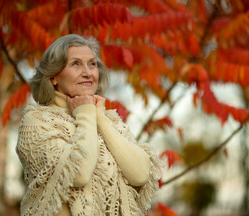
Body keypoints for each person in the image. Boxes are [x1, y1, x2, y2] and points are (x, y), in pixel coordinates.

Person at [16, 34, 162, 216]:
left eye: (92, 64)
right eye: (76, 64)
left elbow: (140, 174)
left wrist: (99, 117)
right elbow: (78, 174)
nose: (88, 72)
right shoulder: (36, 122)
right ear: (53, 76)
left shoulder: (110, 121)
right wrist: (86, 114)